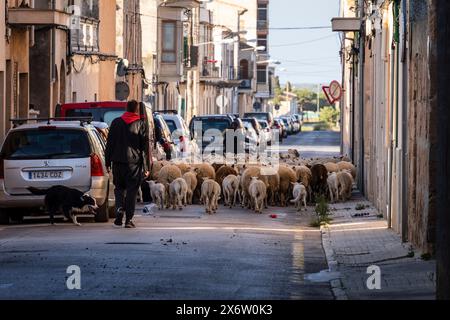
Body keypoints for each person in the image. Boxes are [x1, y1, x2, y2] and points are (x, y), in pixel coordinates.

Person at [105, 100, 150, 228]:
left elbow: (110, 144)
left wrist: (107, 162)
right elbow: (144, 148)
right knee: (131, 191)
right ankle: (128, 220)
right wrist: (146, 167)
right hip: (134, 164)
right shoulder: (141, 124)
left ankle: (119, 210)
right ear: (136, 110)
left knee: (119, 188)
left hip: (118, 162)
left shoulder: (115, 123)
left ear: (126, 108)